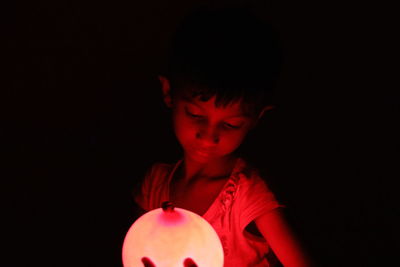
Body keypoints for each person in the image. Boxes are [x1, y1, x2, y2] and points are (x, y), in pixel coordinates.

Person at [133, 6, 313, 267]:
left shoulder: (247, 197)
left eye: (229, 124)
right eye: (196, 114)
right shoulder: (154, 186)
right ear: (168, 92)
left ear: (256, 119)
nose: (209, 136)